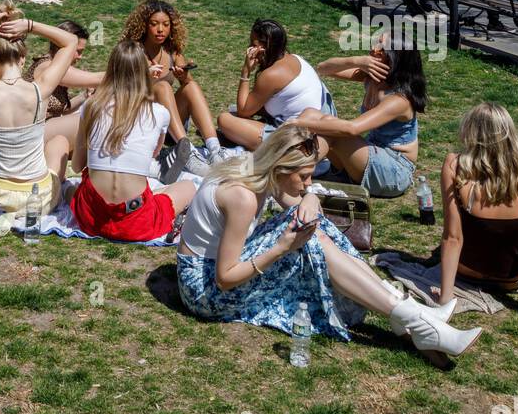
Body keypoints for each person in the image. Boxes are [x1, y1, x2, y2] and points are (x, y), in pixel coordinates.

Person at [176, 125, 480, 365]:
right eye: (305, 176)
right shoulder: (242, 196)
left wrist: (308, 198)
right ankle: (413, 319)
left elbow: (298, 201)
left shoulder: (258, 171)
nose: (309, 183)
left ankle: (411, 316)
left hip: (215, 271)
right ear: (281, 168)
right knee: (304, 236)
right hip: (205, 292)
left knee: (310, 227)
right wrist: (281, 247)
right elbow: (224, 278)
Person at [0, 7, 77, 220]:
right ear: (23, 59)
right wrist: (29, 25)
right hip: (38, 199)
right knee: (60, 142)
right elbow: (70, 42)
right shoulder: (41, 89)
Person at [70, 39, 196, 241]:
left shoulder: (91, 106)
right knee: (188, 187)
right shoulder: (159, 113)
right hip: (136, 220)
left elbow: (76, 166)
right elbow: (153, 154)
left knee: (74, 190)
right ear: (144, 72)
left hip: (93, 216)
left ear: (110, 70)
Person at [295, 35, 427, 198]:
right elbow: (322, 69)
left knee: (333, 132)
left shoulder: (399, 100)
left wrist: (297, 123)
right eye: (375, 43)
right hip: (371, 154)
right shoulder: (372, 77)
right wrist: (356, 60)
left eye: (381, 48)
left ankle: (295, 172)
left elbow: (352, 128)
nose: (374, 48)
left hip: (395, 171)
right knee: (311, 114)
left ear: (394, 57)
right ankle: (295, 171)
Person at [437, 103, 518, 301]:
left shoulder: (454, 165)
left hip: (466, 274)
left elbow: (452, 238)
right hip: (510, 279)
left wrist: (445, 300)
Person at [122, 0, 224, 174]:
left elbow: (188, 84)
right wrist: (145, 77)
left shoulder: (172, 50)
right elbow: (121, 89)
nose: (160, 29)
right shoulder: (132, 51)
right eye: (154, 24)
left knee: (190, 87)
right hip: (139, 119)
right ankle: (187, 153)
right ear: (144, 26)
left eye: (166, 24)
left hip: (168, 126)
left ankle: (215, 150)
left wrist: (184, 75)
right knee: (163, 87)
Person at [217, 19, 333, 153]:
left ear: (265, 48)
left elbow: (244, 111)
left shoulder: (271, 75)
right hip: (319, 127)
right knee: (237, 111)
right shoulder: (294, 58)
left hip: (300, 142)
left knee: (225, 120)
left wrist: (245, 72)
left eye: (253, 44)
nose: (249, 48)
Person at [24, 18, 104, 151]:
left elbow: (63, 111)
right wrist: (137, 72)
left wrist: (85, 96)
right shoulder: (48, 66)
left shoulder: (51, 64)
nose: (80, 57)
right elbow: (97, 78)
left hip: (42, 129)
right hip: (30, 132)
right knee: (93, 119)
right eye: (78, 51)